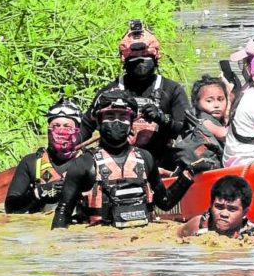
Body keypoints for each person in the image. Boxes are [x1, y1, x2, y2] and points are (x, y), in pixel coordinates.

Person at [51, 90, 194, 229]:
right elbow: (63, 213)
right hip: (99, 244)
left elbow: (165, 202)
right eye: (110, 116)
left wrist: (188, 174)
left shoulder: (145, 159)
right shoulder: (83, 164)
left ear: (132, 122)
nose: (117, 122)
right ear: (99, 121)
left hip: (141, 242)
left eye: (123, 117)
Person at [79, 20, 191, 171]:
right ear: (124, 61)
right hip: (114, 164)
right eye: (134, 60)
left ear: (156, 59)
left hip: (161, 163)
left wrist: (162, 119)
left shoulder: (172, 90)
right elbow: (86, 126)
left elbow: (187, 128)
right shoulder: (109, 92)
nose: (140, 65)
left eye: (145, 59)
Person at [5, 97, 84, 214]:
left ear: (77, 131)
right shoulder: (31, 162)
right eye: (56, 126)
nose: (61, 131)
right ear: (48, 130)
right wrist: (39, 193)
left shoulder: (90, 161)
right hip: (40, 229)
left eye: (67, 127)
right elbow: (10, 208)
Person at [178, 175, 254, 247]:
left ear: (245, 212)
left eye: (232, 209)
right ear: (210, 205)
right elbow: (176, 237)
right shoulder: (197, 224)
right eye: (219, 207)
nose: (224, 214)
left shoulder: (251, 234)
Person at [170, 75, 229, 173]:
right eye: (209, 101)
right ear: (196, 103)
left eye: (221, 99)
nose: (216, 105)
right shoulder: (204, 120)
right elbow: (224, 134)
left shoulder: (217, 120)